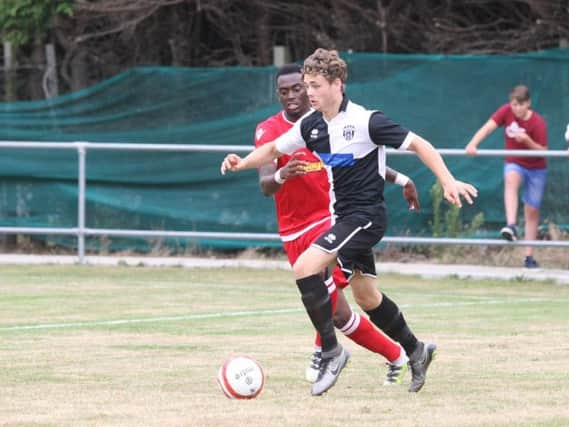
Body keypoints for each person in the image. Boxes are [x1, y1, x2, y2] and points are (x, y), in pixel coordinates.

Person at [222, 48, 477, 396]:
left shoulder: (366, 121)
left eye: (314, 85)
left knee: (305, 267)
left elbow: (420, 144)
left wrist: (447, 181)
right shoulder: (312, 125)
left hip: (366, 218)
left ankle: (331, 351)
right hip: (344, 219)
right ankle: (416, 350)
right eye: (306, 85)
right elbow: (271, 151)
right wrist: (241, 162)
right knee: (368, 298)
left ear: (337, 84)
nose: (308, 92)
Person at [255, 63, 421, 386]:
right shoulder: (271, 130)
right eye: (284, 91)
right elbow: (265, 185)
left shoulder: (333, 120)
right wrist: (281, 174)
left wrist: (402, 178)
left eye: (299, 88)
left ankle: (328, 349)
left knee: (332, 299)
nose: (291, 96)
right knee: (349, 306)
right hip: (292, 229)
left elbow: (363, 159)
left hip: (331, 220)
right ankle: (401, 354)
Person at [465, 85, 547, 269]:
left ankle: (529, 257)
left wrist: (527, 141)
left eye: (520, 104)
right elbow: (487, 128)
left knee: (531, 212)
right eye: (514, 104)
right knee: (511, 178)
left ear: (528, 103)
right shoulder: (506, 112)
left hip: (536, 168)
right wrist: (472, 144)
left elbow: (543, 151)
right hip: (515, 163)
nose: (516, 108)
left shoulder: (538, 122)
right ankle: (511, 225)